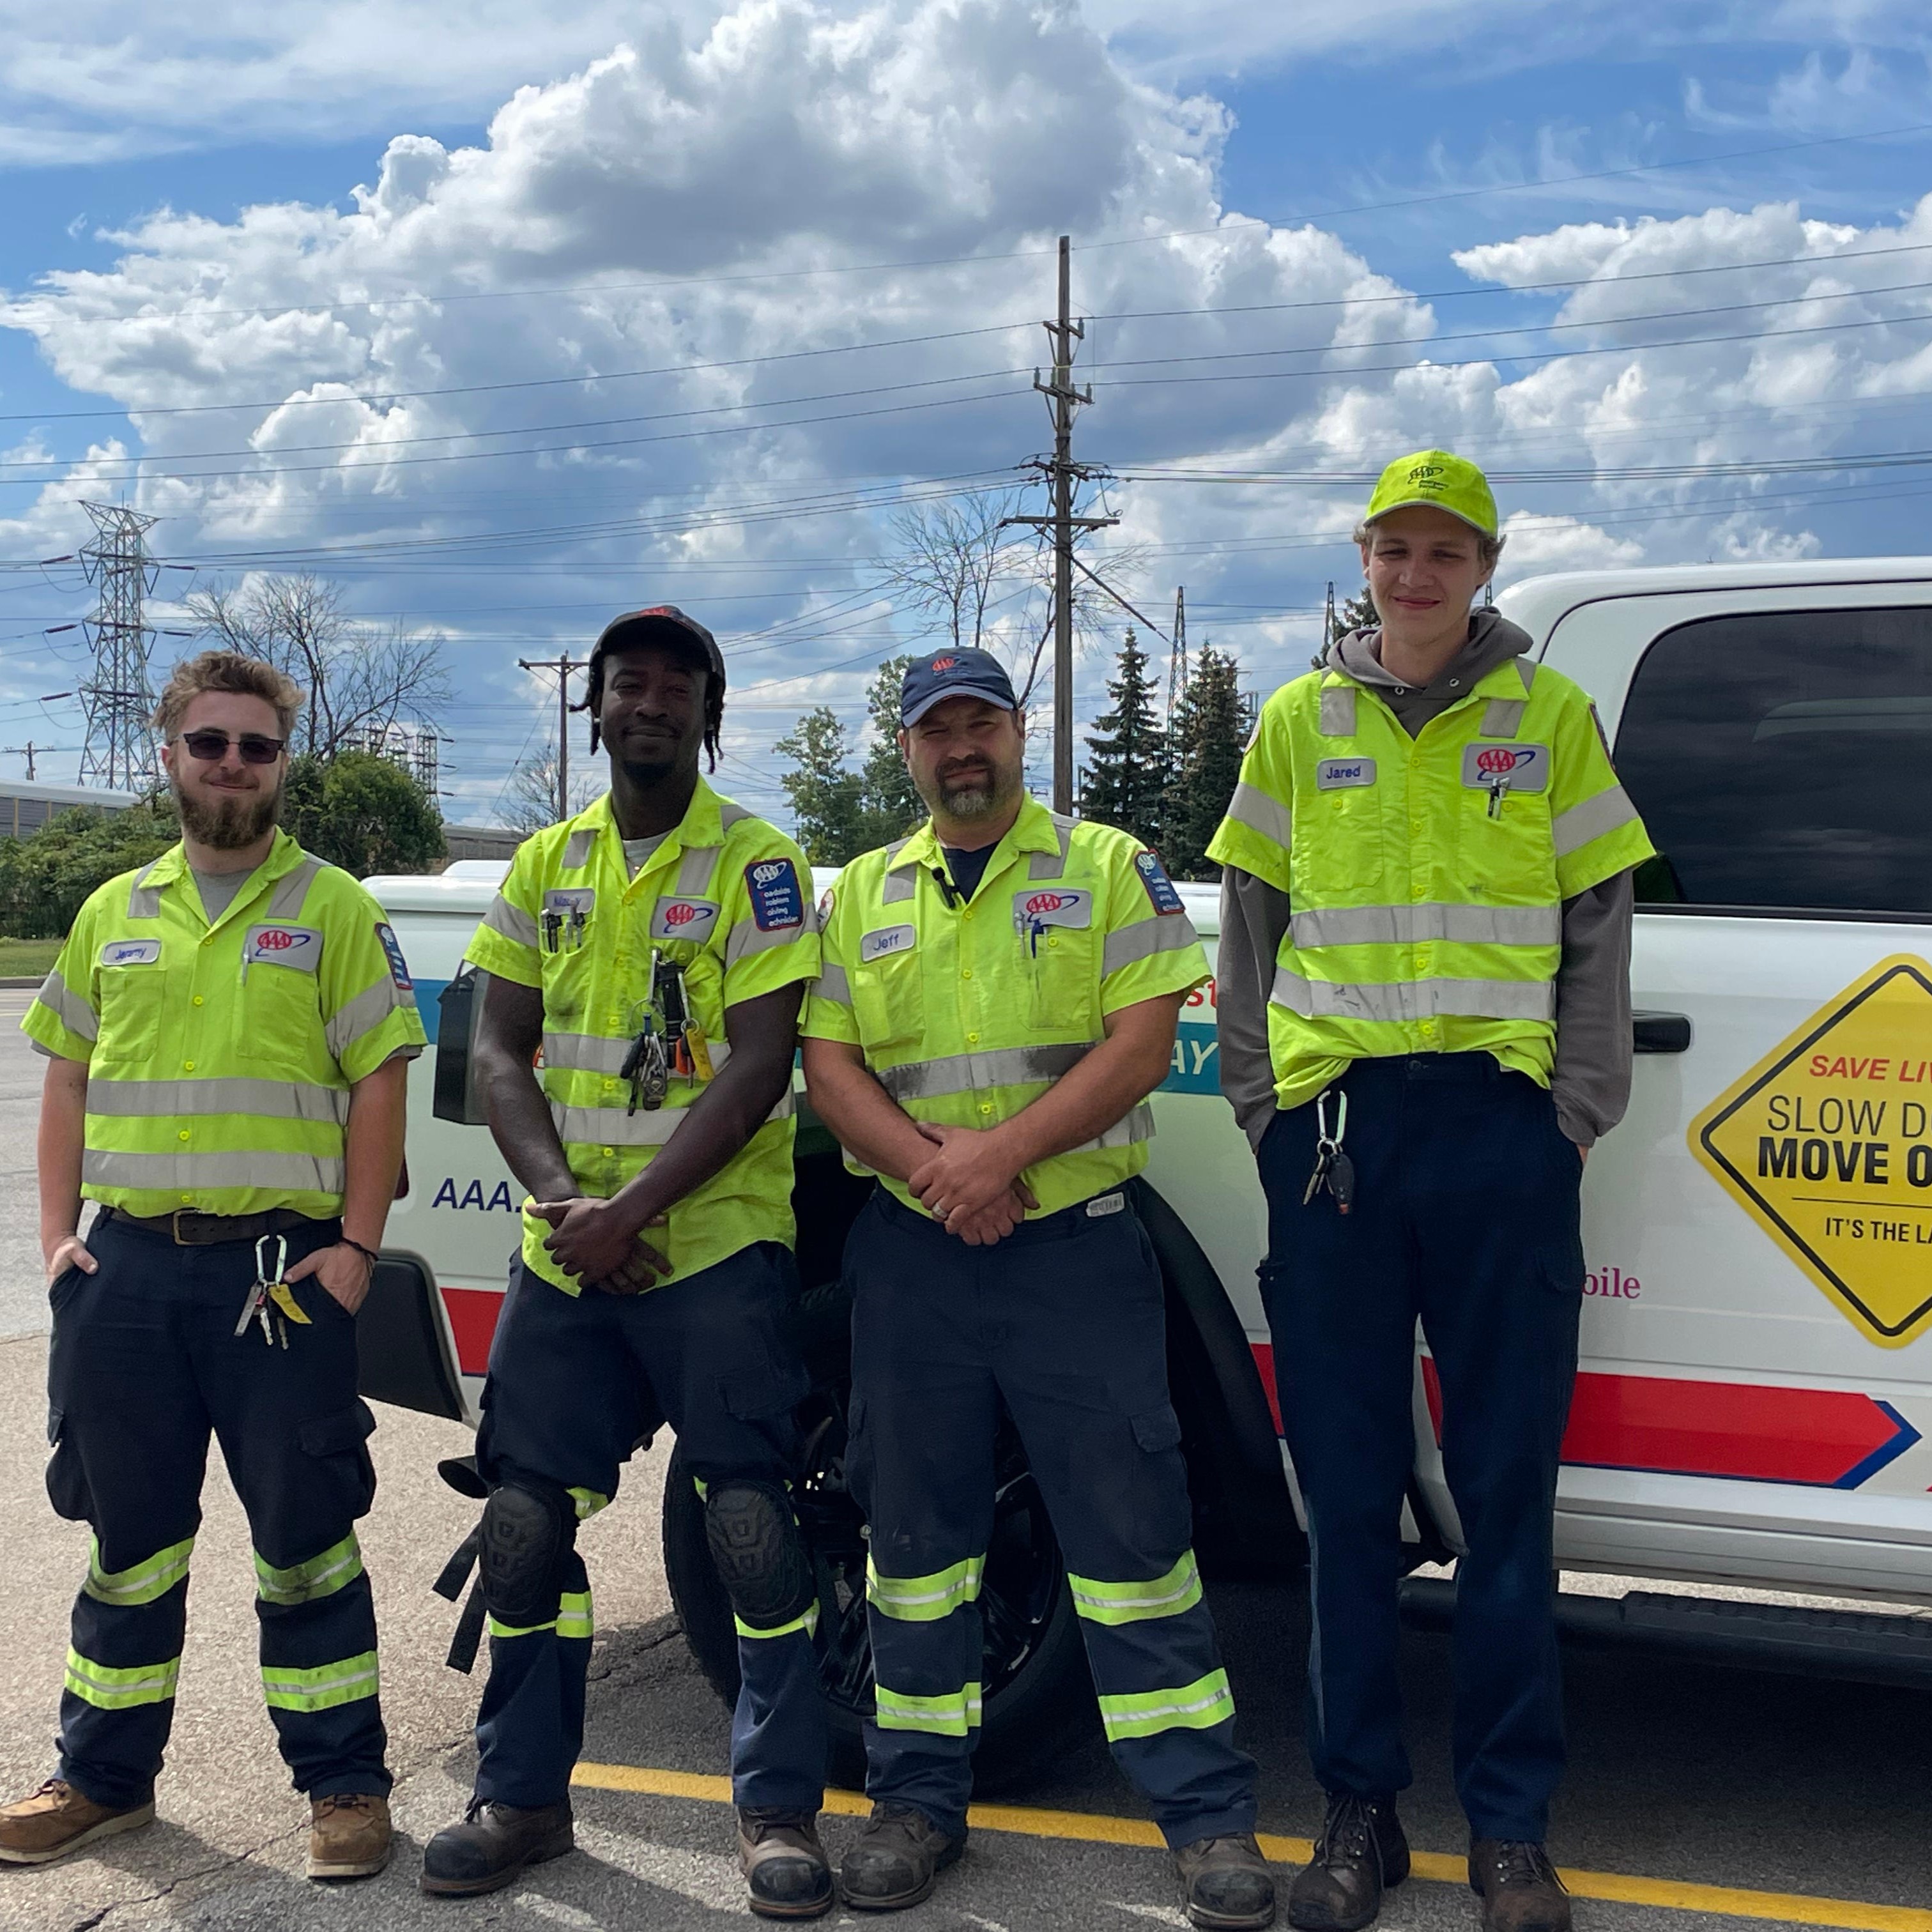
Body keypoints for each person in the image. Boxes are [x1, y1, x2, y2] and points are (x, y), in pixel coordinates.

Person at [1210, 452, 1655, 1932]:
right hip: (1337, 1144)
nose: (1416, 574)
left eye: (1444, 551)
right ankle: (1358, 1815)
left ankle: (1512, 1832)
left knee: (1506, 1498)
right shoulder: (1295, 721)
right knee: (1346, 1501)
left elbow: (1601, 922)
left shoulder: (1548, 718)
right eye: (1394, 548)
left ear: (1485, 563)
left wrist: (1573, 1116)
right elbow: (1249, 935)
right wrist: (1271, 1114)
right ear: (1365, 558)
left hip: (1500, 1138)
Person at [802, 647, 1275, 1930]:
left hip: (1071, 1249)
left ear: (1020, 733)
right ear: (905, 751)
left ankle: (1206, 1815)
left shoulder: (1109, 870)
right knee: (913, 1547)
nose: (961, 747)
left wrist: (1000, 1159)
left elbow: (1136, 1045)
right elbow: (829, 1066)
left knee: (1133, 1545)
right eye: (934, 729)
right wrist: (938, 1175)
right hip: (912, 1261)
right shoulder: (860, 897)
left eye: (981, 723)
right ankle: (913, 1802)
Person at [422, 606, 832, 1919]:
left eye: (676, 686)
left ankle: (776, 1812)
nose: (649, 702)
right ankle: (525, 1796)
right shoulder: (545, 864)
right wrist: (565, 1204)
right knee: (528, 1527)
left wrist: (636, 1206)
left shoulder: (760, 867)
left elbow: (764, 1065)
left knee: (754, 1531)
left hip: (713, 1250)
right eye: (627, 684)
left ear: (712, 716)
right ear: (593, 709)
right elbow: (497, 1053)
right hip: (568, 1250)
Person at [0, 652, 425, 1879]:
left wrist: (356, 1247)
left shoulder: (337, 909)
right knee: (126, 1543)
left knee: (307, 1542)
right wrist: (55, 1244)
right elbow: (67, 1077)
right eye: (212, 744)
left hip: (281, 1276)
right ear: (169, 753)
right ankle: (100, 1780)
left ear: (282, 763)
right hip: (124, 1277)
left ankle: (344, 1785)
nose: (234, 766)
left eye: (258, 748)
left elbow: (380, 1078)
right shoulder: (111, 910)